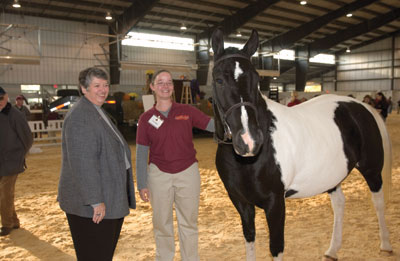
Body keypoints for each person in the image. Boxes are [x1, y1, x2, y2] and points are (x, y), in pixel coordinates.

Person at [58, 67, 136, 260]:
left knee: (103, 253)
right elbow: (83, 163)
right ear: (84, 89)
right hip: (91, 207)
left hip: (108, 196)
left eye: (105, 85)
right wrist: (95, 200)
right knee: (94, 254)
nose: (103, 90)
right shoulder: (81, 117)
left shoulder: (96, 111)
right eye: (97, 86)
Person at [136, 70, 214, 261]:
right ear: (152, 87)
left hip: (188, 173)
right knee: (162, 224)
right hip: (158, 175)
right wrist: (142, 183)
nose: (165, 86)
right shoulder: (146, 119)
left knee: (188, 223)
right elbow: (141, 153)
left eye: (169, 82)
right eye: (160, 82)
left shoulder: (187, 111)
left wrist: (237, 121)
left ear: (173, 87)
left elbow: (212, 125)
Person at [0, 86, 33, 236]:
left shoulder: (15, 115)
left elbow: (27, 138)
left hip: (12, 160)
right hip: (1, 160)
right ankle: (13, 221)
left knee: (5, 193)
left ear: (6, 97)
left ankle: (6, 224)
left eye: (1, 98)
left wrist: (20, 156)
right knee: (5, 193)